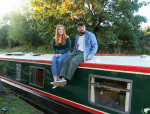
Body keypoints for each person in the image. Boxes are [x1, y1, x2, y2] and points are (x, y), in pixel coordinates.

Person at [52, 22, 98, 86]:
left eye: (82, 27)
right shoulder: (77, 36)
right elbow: (76, 47)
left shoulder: (90, 35)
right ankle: (61, 77)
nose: (81, 29)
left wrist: (91, 55)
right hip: (76, 52)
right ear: (77, 28)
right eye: (79, 27)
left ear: (85, 27)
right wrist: (73, 53)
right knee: (66, 60)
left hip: (84, 53)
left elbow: (95, 46)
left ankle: (66, 79)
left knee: (73, 61)